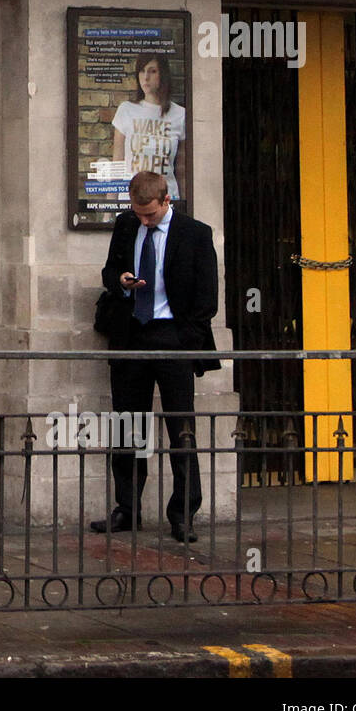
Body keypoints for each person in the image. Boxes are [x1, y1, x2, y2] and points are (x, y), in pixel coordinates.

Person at [92, 170, 220, 543]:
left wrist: (185, 339)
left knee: (180, 426)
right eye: (138, 213)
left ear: (167, 201)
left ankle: (183, 513)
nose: (144, 221)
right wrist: (121, 281)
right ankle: (128, 509)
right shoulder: (127, 225)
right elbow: (109, 270)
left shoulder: (196, 234)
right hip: (132, 332)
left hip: (172, 335)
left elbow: (206, 297)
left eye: (149, 215)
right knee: (128, 423)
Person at [112, 53, 187, 201]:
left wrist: (184, 208)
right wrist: (109, 211)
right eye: (142, 71)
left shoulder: (180, 114)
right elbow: (117, 165)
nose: (145, 77)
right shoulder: (126, 110)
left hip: (166, 202)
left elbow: (182, 171)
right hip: (131, 202)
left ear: (162, 75)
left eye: (152, 71)